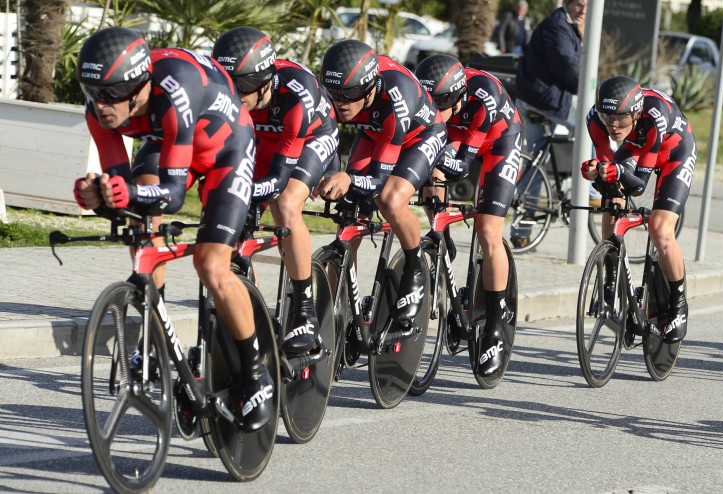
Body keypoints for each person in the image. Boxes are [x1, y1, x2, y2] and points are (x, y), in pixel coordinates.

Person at [72, 27, 274, 431]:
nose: (101, 106)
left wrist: (124, 191)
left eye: (111, 94)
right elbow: (124, 196)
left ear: (138, 87)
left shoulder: (174, 88)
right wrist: (100, 197)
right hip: (168, 143)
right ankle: (155, 336)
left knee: (211, 263)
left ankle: (257, 376)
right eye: (93, 93)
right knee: (141, 213)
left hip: (226, 149)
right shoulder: (101, 108)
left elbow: (175, 196)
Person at [212, 27, 339, 356]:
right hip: (263, 142)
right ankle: (242, 282)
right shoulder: (231, 96)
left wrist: (246, 191)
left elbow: (279, 179)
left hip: (310, 138)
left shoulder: (296, 95)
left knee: (285, 205)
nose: (233, 94)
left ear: (265, 80)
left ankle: (304, 308)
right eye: (227, 83)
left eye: (241, 86)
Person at [315, 39, 447, 327]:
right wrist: (329, 175)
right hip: (374, 131)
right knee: (349, 216)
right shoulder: (345, 96)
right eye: (334, 93)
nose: (340, 103)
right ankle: (337, 311)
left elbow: (376, 180)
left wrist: (348, 178)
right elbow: (327, 139)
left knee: (388, 199)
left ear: (370, 87)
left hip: (419, 136)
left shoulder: (395, 96)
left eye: (349, 94)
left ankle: (415, 268)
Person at [414, 54, 521, 375]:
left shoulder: (482, 99)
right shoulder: (436, 105)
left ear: (458, 97)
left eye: (440, 104)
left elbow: (460, 166)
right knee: (432, 171)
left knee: (488, 231)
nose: (433, 110)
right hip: (458, 135)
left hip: (500, 141)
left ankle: (496, 323)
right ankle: (440, 235)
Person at [580, 76, 696, 343]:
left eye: (621, 118)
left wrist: (616, 170)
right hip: (636, 149)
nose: (613, 125)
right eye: (608, 117)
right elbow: (607, 162)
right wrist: (597, 171)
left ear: (637, 112)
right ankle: (611, 272)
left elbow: (639, 185)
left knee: (660, 228)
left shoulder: (655, 116)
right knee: (612, 193)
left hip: (674, 153)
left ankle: (679, 304)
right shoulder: (595, 119)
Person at [512, 0, 587, 246]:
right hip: (545, 99)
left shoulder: (568, 25)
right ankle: (596, 191)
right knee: (593, 127)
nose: (583, 10)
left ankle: (521, 233)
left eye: (587, 5)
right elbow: (570, 70)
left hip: (537, 98)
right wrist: (595, 89)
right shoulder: (557, 26)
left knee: (536, 164)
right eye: (578, 4)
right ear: (566, 3)